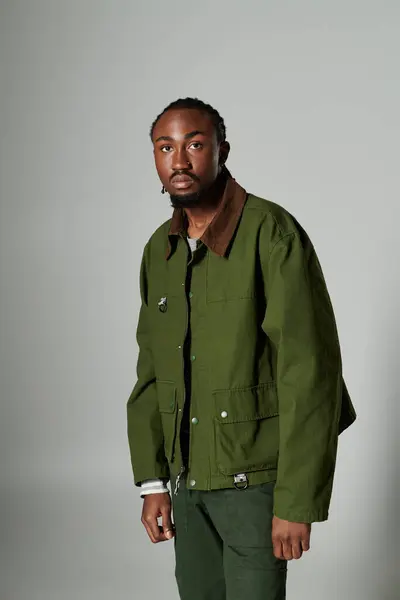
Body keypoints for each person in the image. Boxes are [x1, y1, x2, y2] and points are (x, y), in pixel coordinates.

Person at [126, 97, 356, 600]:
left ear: (221, 150)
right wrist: (153, 483)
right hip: (187, 485)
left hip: (255, 484)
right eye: (165, 148)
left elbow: (310, 371)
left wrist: (296, 501)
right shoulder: (158, 251)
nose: (179, 161)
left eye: (194, 145)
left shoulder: (271, 233)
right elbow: (151, 370)